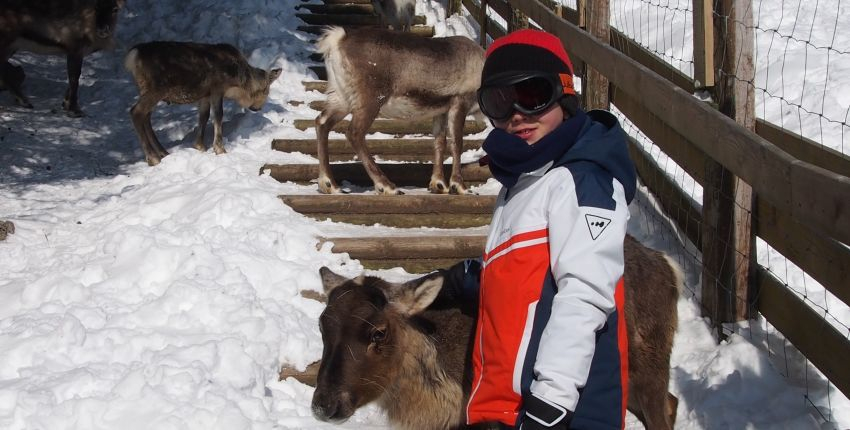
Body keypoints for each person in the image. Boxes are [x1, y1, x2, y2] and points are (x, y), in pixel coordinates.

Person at [438, 29, 637, 430]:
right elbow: (530, 283)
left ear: (564, 94)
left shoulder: (583, 179)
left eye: (532, 95)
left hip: (560, 415)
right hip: (503, 410)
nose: (516, 114)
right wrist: (472, 279)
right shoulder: (525, 180)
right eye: (498, 101)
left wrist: (550, 405)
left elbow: (584, 294)